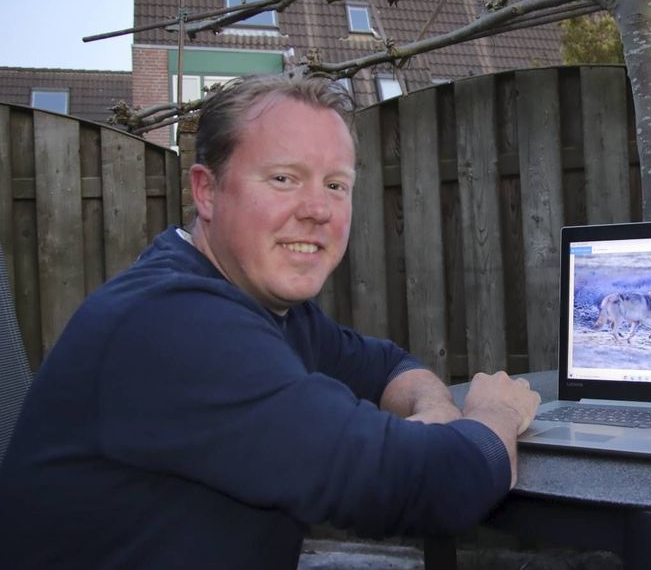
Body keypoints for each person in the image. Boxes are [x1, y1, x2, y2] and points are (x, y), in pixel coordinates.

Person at [0, 73, 540, 569]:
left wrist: (437, 407)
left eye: (336, 184)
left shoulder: (268, 308)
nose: (319, 209)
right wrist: (493, 411)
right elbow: (429, 487)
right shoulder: (177, 325)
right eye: (284, 178)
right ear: (206, 191)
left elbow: (385, 364)